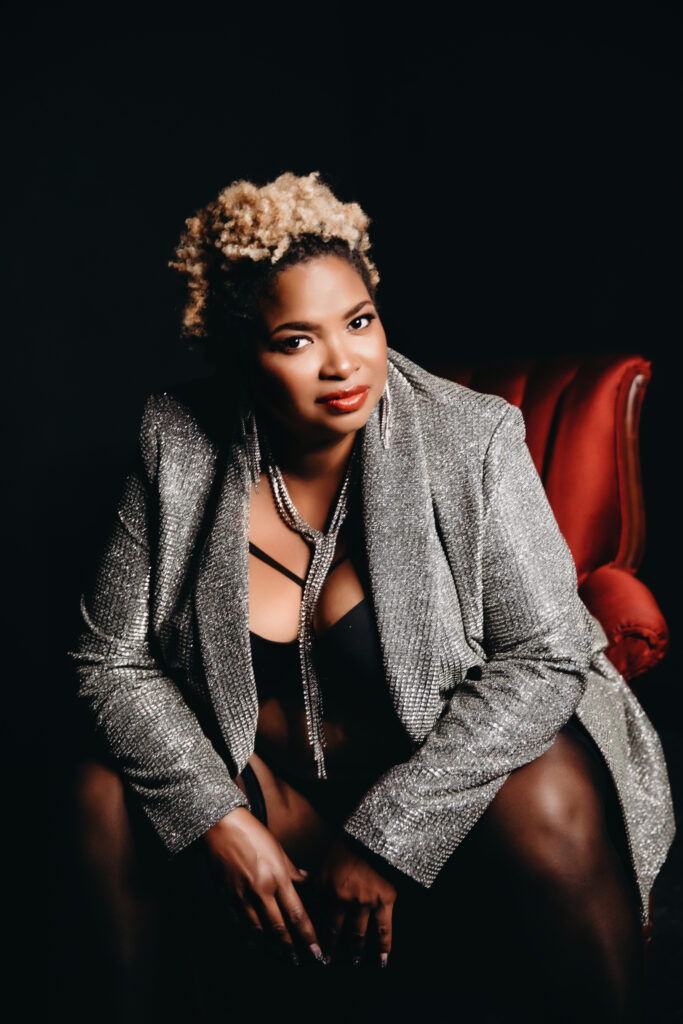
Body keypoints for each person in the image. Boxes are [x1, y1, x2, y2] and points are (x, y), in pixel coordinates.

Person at [68, 171, 675, 1022]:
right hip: (277, 799)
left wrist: (389, 837)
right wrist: (216, 818)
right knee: (99, 791)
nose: (344, 362)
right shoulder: (177, 441)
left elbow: (544, 658)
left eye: (359, 321)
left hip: (447, 797)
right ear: (243, 349)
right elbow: (109, 659)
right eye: (296, 339)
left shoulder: (471, 438)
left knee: (547, 791)